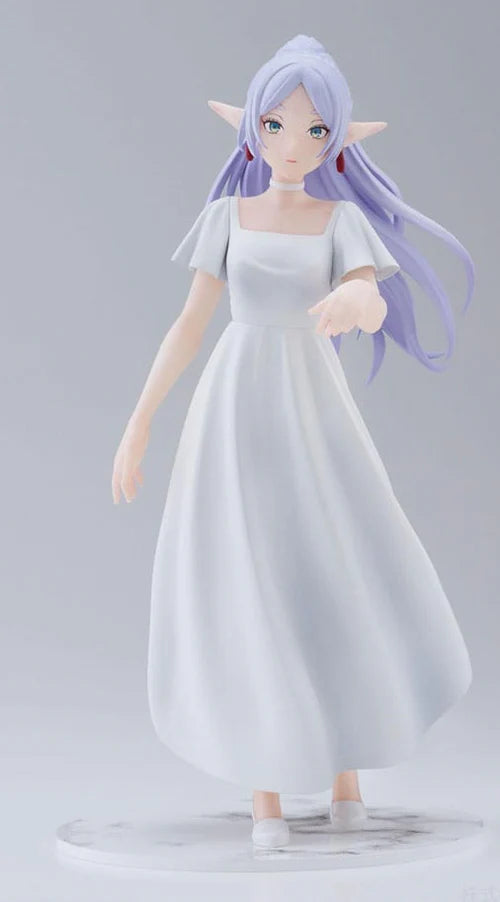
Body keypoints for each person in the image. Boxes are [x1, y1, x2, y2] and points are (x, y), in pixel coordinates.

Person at [111, 34, 474, 850]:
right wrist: (140, 420)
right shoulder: (226, 218)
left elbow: (369, 294)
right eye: (276, 125)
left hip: (312, 408)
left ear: (337, 139)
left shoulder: (341, 220)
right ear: (250, 126)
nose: (293, 145)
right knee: (251, 578)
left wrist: (356, 305)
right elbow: (189, 324)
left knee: (332, 571)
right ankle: (265, 791)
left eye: (315, 130)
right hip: (237, 407)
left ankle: (347, 773)